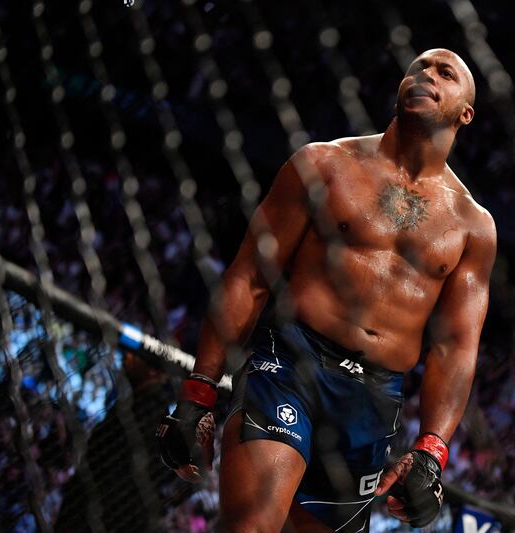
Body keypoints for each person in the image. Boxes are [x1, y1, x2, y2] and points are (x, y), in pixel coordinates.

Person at [157, 48, 496, 532]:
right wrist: (199, 390)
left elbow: (456, 346)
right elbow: (249, 276)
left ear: (465, 112)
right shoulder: (325, 164)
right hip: (290, 364)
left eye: (445, 73)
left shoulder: (473, 227)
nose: (426, 75)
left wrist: (432, 450)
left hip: (375, 399)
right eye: (419, 66)